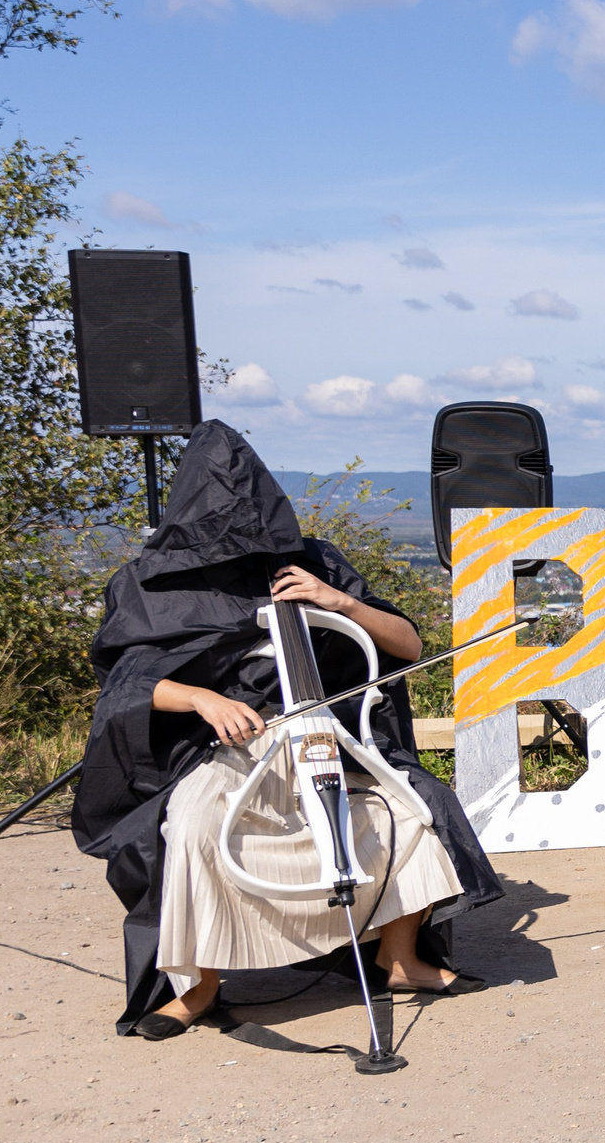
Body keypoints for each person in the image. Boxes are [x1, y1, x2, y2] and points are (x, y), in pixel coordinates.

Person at [73, 422, 504, 1040]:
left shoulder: (315, 560)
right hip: (221, 749)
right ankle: (198, 988)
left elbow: (408, 646)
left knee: (413, 812)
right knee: (191, 829)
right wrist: (200, 698)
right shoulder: (148, 584)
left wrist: (342, 603)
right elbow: (125, 688)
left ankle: (401, 959)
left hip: (321, 735)